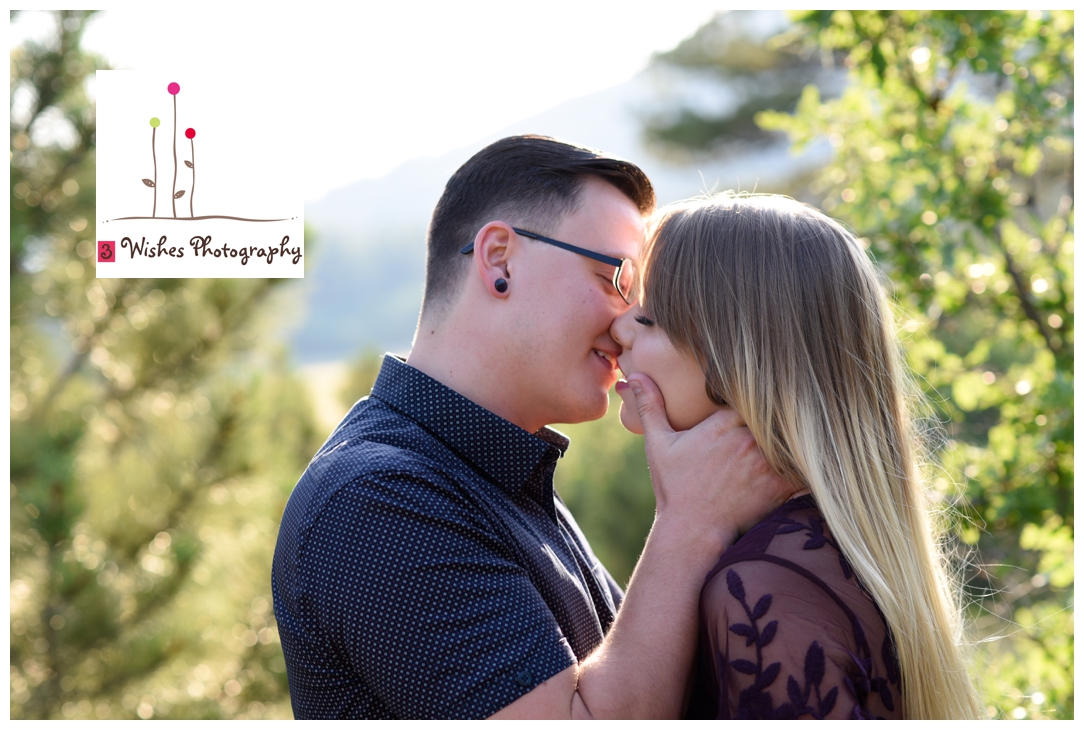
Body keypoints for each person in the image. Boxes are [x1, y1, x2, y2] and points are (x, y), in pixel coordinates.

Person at [271, 136, 796, 719]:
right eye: (615, 279)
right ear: (500, 260)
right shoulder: (380, 501)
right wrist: (691, 521)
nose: (628, 322)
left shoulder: (495, 475)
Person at [610, 192, 984, 719]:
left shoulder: (762, 592)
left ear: (743, 358)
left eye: (649, 318)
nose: (618, 328)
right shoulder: (836, 550)